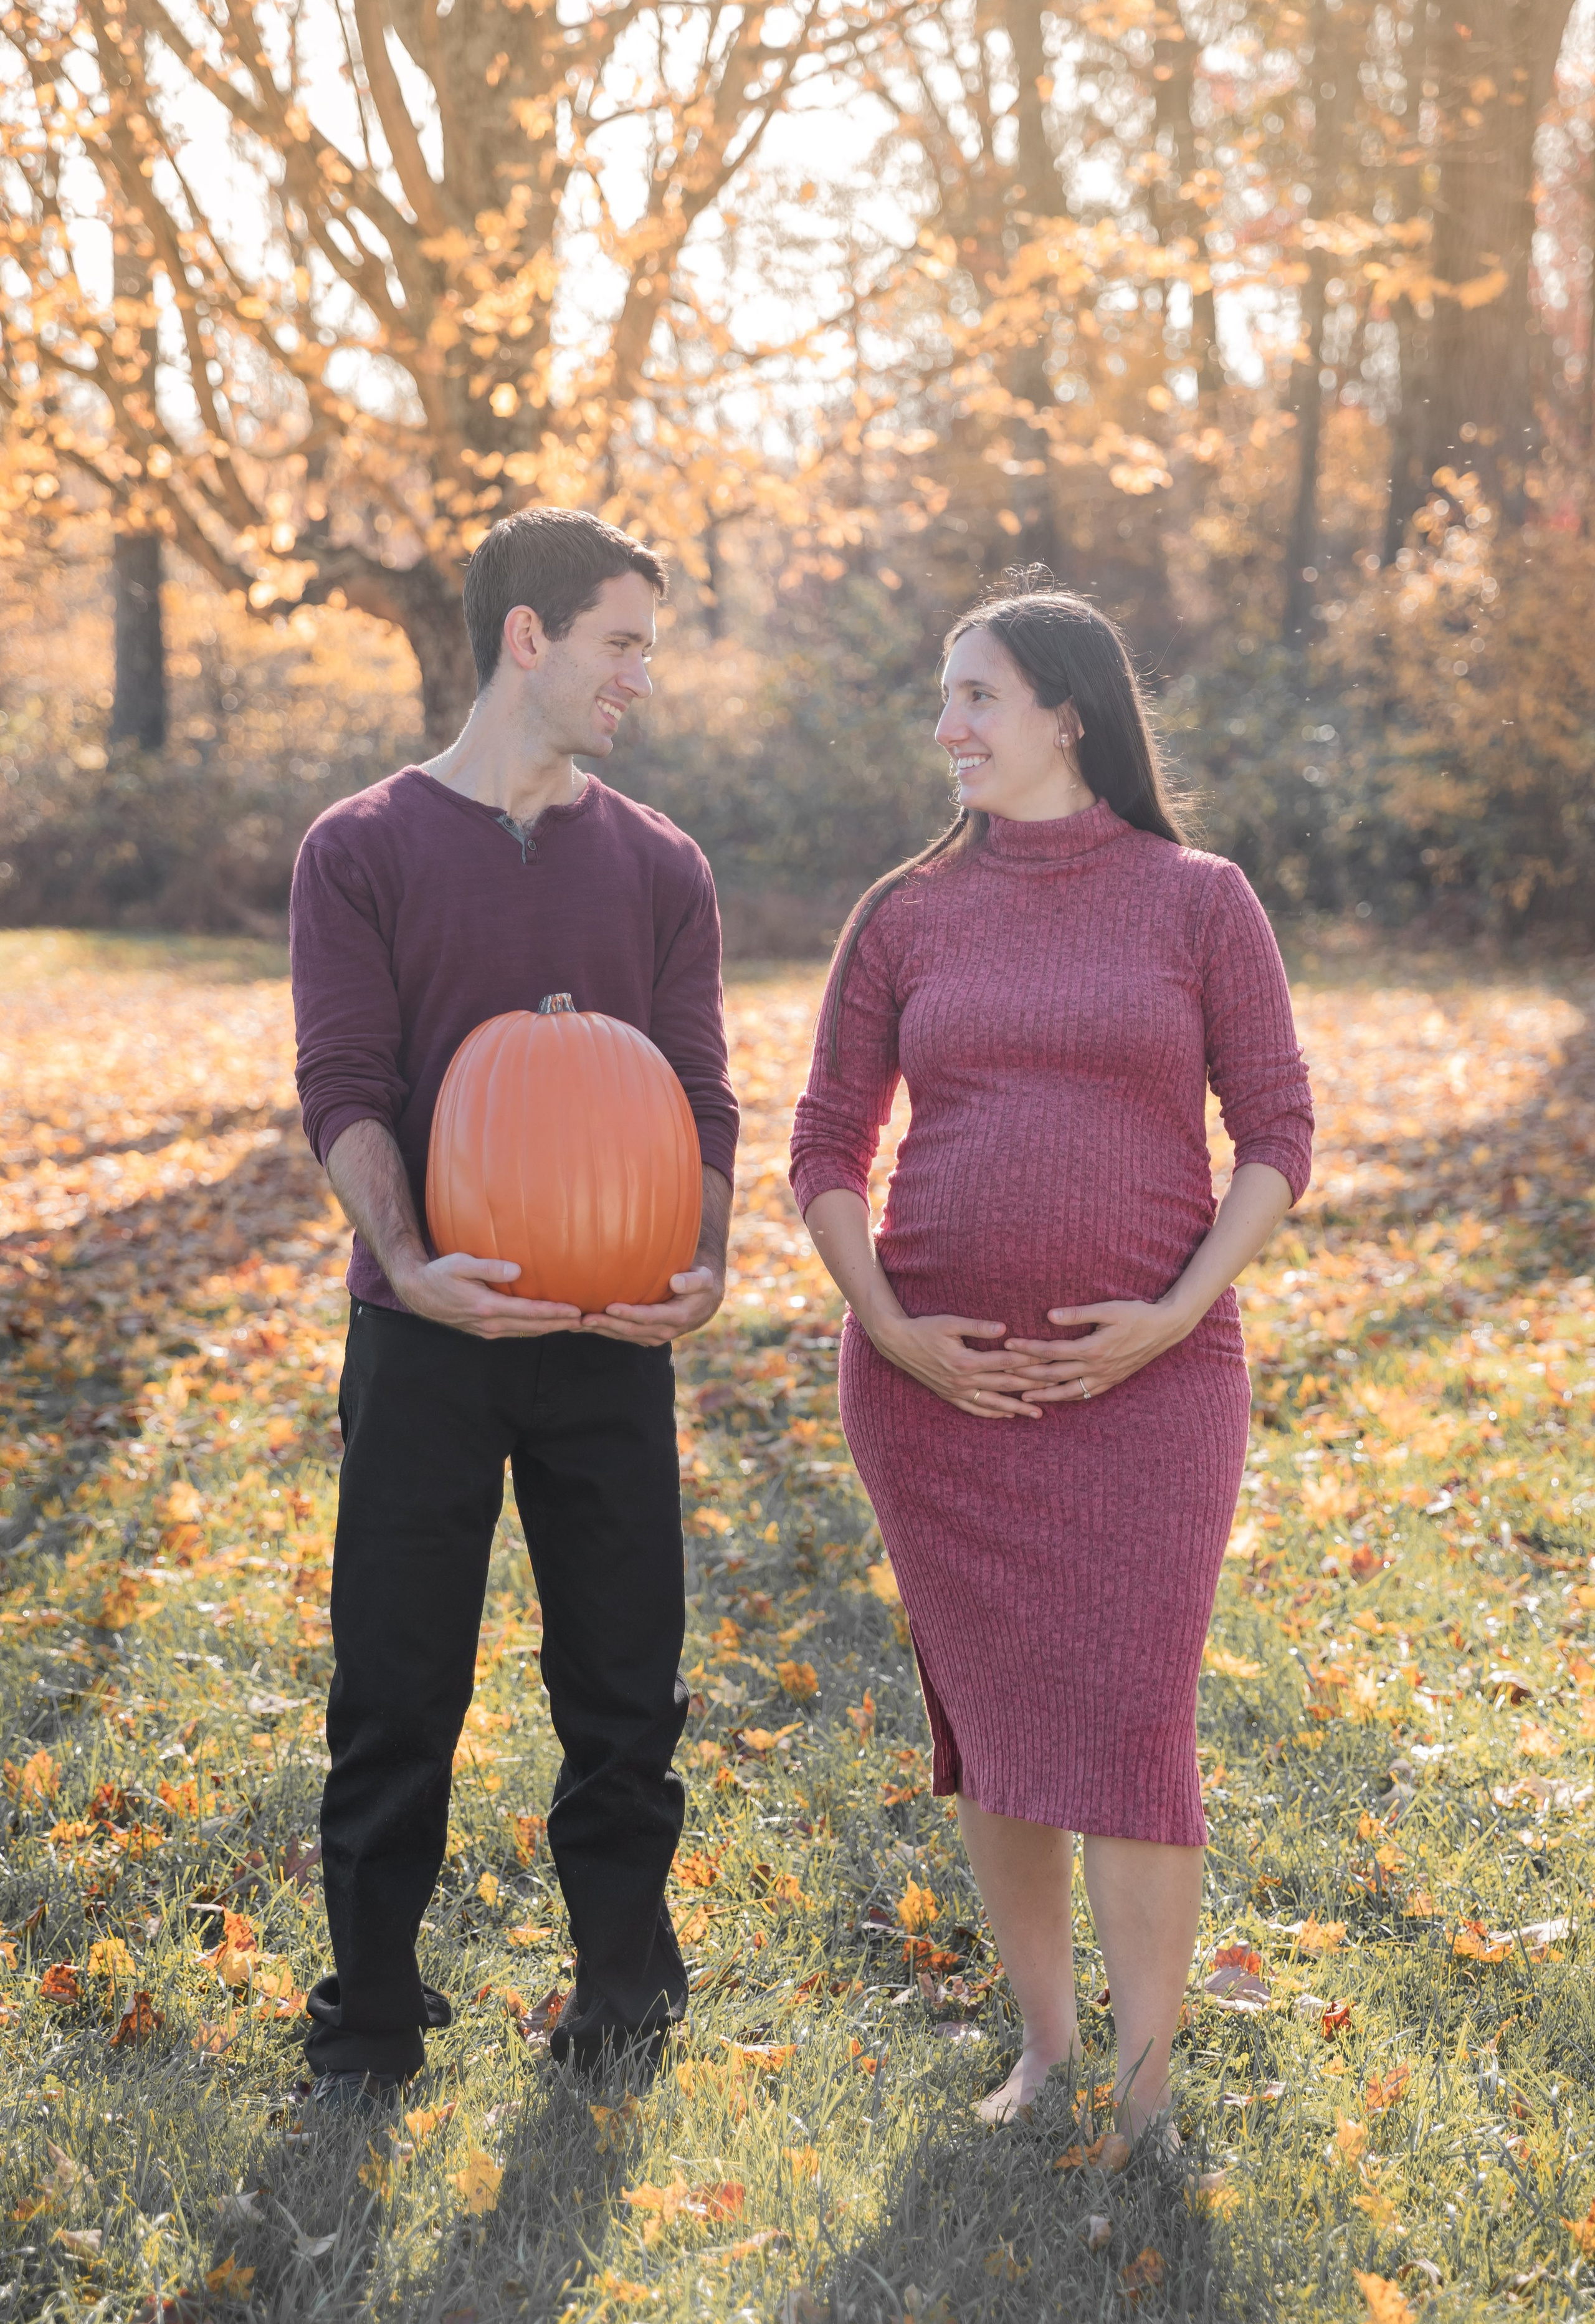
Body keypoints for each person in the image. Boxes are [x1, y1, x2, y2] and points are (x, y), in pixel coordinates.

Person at [789, 580, 1312, 2140]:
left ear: (1066, 715)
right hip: (935, 1401)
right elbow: (824, 1143)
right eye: (943, 696)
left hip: (1153, 1386)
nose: (945, 725)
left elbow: (1276, 1132)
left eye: (977, 695)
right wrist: (892, 1329)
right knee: (1001, 1726)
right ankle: (1043, 2048)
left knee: (1134, 1720)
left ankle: (1146, 2097)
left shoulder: (1198, 900)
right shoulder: (902, 912)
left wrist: (1175, 1311)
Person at [289, 507, 738, 2108]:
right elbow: (343, 1083)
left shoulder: (661, 864)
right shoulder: (362, 847)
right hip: (425, 1337)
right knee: (395, 1683)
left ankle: (621, 1996)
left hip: (611, 1337)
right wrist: (411, 1263)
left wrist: (704, 1258)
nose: (639, 676)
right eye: (619, 641)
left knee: (622, 1686)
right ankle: (370, 2017)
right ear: (527, 637)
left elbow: (699, 1090)